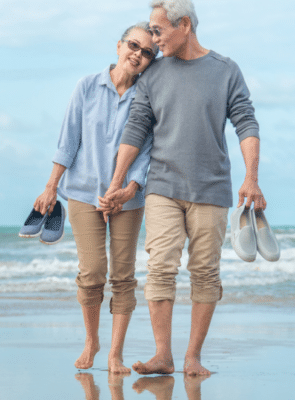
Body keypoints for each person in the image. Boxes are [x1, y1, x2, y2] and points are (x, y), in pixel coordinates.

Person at [99, 0, 266, 376]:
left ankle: (192, 357)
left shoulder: (225, 70)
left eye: (158, 31)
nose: (153, 40)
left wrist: (251, 178)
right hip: (162, 186)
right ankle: (163, 355)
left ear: (184, 25)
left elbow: (246, 124)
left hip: (211, 189)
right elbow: (136, 128)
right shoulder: (154, 75)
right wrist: (117, 182)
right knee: (160, 268)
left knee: (205, 272)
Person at [32, 22, 158, 372]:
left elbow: (147, 150)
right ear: (118, 46)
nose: (139, 54)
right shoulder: (86, 86)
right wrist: (50, 186)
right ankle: (92, 340)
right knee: (92, 272)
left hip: (128, 199)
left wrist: (131, 187)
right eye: (134, 45)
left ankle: (115, 353)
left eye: (148, 52)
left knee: (123, 275)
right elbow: (68, 140)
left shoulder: (147, 97)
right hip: (83, 195)